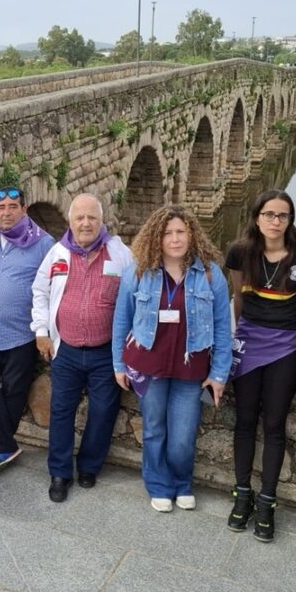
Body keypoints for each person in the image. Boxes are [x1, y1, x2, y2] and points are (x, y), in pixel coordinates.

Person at [112, 205, 232, 513]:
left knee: (182, 436)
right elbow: (121, 320)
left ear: (192, 234)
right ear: (157, 237)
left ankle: (182, 482)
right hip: (148, 365)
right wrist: (118, 364)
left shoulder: (209, 273)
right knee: (153, 428)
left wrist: (219, 373)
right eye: (168, 233)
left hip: (191, 368)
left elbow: (223, 326)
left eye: (181, 232)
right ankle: (159, 484)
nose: (175, 239)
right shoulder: (139, 271)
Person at [224, 190, 296, 541]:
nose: (275, 221)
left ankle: (267, 501)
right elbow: (238, 300)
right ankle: (242, 495)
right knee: (245, 422)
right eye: (269, 214)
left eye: (282, 215)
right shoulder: (240, 252)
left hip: (286, 347)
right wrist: (228, 347)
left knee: (275, 425)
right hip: (249, 345)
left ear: (290, 220)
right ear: (257, 217)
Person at [32, 194, 133, 502]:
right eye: (80, 218)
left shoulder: (121, 254)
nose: (86, 223)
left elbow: (135, 296)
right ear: (71, 221)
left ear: (102, 221)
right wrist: (41, 331)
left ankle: (89, 465)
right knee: (61, 412)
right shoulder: (57, 253)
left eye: (92, 217)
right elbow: (40, 291)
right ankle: (60, 473)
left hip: (106, 352)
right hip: (67, 350)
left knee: (104, 411)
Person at [0, 187, 54, 474]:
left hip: (21, 332)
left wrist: (48, 330)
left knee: (15, 390)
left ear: (25, 209)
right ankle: (4, 443)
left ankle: (1, 446)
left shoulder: (44, 244)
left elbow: (53, 288)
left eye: (13, 206)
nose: (6, 212)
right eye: (1, 207)